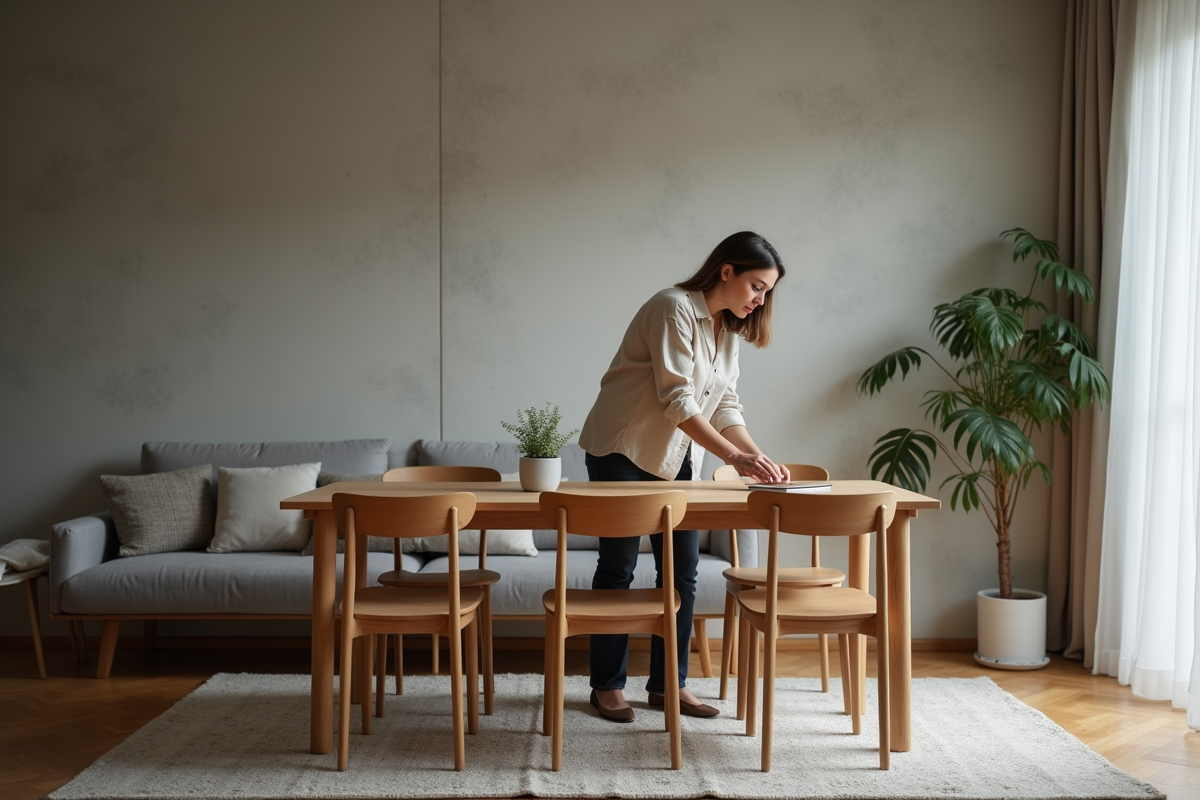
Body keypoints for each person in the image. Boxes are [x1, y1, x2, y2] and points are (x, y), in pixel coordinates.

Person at [577, 230, 791, 723]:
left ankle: (667, 685)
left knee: (683, 573)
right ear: (726, 271)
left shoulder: (725, 330)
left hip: (677, 461)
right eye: (757, 286)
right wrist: (735, 461)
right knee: (619, 569)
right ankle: (606, 685)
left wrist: (760, 459)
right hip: (623, 452)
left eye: (767, 292)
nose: (761, 299)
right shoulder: (671, 308)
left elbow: (725, 405)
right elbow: (679, 399)